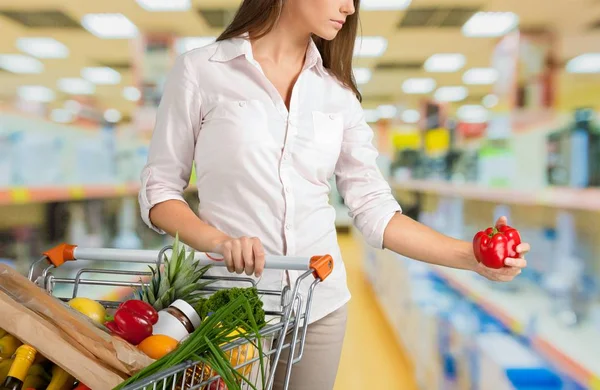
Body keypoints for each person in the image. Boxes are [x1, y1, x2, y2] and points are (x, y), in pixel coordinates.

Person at [138, 0, 531, 389]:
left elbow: (375, 208)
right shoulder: (203, 70)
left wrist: (471, 256)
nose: (349, 8)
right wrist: (218, 241)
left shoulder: (337, 93)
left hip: (319, 305)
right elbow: (159, 190)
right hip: (229, 302)